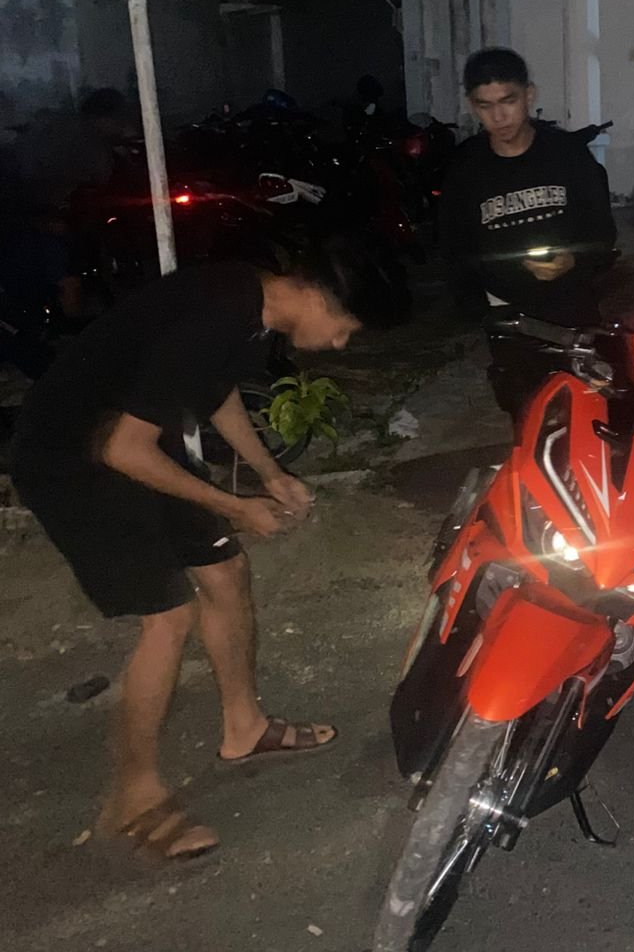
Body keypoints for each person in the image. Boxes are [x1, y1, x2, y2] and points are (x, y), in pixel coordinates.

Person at [10, 239, 410, 862]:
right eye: (345, 328)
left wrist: (268, 472)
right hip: (72, 460)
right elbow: (122, 451)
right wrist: (237, 506)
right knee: (170, 617)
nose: (339, 344)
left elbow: (212, 390)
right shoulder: (218, 311)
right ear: (314, 295)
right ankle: (133, 797)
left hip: (132, 442)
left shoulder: (253, 308)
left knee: (224, 572)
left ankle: (244, 728)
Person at [439, 48, 617, 328]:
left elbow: (601, 228)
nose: (499, 116)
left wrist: (574, 260)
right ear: (472, 105)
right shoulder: (464, 167)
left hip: (572, 304)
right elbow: (454, 247)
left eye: (508, 101)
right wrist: (476, 309)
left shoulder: (567, 154)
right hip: (503, 310)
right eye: (485, 106)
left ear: (529, 95)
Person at [0, 88, 136, 318]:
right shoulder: (87, 142)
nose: (122, 126)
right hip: (29, 215)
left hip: (29, 210)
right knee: (62, 260)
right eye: (119, 121)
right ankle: (69, 318)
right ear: (104, 118)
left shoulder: (59, 126)